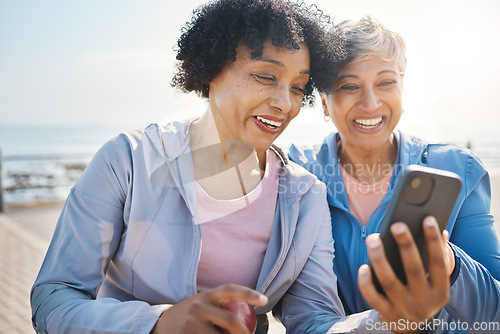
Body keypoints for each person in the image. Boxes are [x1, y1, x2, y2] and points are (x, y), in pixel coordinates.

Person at [30, 1, 350, 333]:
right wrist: (157, 323)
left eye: (298, 87)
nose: (286, 103)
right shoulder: (127, 161)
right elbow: (53, 300)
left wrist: (379, 323)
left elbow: (315, 320)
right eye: (266, 76)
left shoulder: (306, 197)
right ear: (212, 69)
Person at [289, 17, 500, 332]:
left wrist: (452, 266)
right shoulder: (295, 176)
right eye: (349, 86)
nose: (371, 103)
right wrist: (386, 324)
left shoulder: (458, 170)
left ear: (403, 86)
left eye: (386, 82)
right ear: (322, 100)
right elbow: (305, 322)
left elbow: (493, 318)